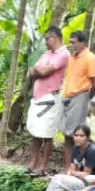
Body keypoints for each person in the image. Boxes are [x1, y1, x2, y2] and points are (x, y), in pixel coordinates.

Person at [25, 26, 70, 176]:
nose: (45, 42)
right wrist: (38, 70)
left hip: (51, 97)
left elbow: (42, 71)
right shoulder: (47, 53)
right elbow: (32, 71)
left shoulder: (63, 54)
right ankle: (32, 164)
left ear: (55, 37)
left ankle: (42, 167)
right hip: (38, 96)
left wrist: (38, 70)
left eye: (47, 39)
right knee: (36, 132)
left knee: (47, 133)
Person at [59, 31, 95, 168]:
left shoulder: (89, 58)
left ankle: (78, 167)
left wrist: (86, 98)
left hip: (80, 95)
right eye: (70, 42)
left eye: (74, 42)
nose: (72, 45)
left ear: (83, 43)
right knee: (67, 134)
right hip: (68, 96)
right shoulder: (72, 57)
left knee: (76, 135)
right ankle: (68, 167)